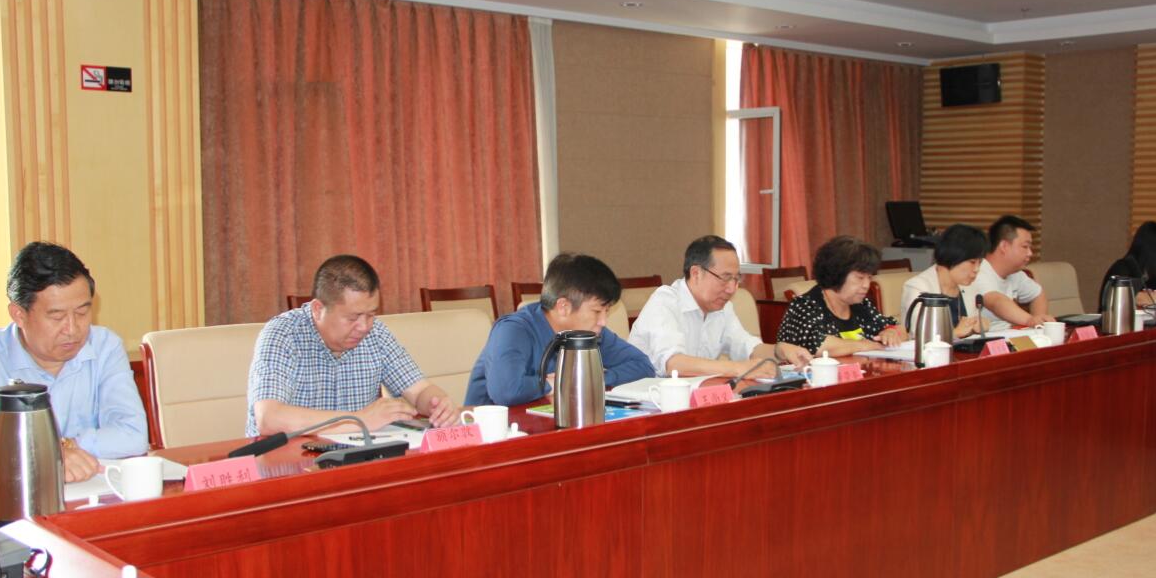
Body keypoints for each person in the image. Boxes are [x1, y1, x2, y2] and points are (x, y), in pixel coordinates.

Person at [0, 242, 148, 481]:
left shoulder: (105, 347)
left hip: (91, 493)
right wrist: (39, 457)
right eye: (57, 317)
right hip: (13, 496)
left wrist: (66, 447)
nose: (72, 329)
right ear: (19, 314)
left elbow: (133, 435)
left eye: (82, 313)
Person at [247, 255, 460, 437]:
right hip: (287, 462)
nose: (364, 327)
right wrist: (359, 420)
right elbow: (269, 418)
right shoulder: (283, 334)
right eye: (352, 318)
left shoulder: (377, 334)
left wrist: (438, 405)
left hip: (354, 458)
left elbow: (420, 390)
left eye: (371, 315)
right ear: (318, 309)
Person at [464, 253, 655, 406]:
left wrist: (589, 378)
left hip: (550, 425)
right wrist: (556, 383)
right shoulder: (513, 331)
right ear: (563, 307)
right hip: (495, 434)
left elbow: (642, 365)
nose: (603, 321)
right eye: (597, 311)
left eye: (607, 311)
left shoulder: (591, 333)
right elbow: (506, 391)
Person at [629, 235, 813, 378]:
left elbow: (748, 348)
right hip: (648, 402)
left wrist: (780, 350)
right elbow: (674, 364)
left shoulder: (722, 308)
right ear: (696, 273)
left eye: (736, 279)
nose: (731, 289)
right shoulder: (665, 301)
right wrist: (737, 369)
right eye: (725, 278)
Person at [776, 235, 908, 356]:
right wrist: (865, 345)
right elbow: (819, 346)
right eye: (860, 278)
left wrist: (891, 332)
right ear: (837, 273)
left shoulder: (860, 304)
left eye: (869, 277)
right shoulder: (805, 305)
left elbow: (901, 329)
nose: (866, 285)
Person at [965, 215, 1055, 331]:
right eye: (1025, 246)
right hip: (986, 338)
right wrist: (1030, 320)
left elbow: (1038, 294)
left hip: (1010, 335)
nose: (1030, 253)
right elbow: (996, 301)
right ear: (1004, 246)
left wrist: (1039, 326)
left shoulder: (1015, 273)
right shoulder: (978, 270)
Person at [899, 224, 989, 338]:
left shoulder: (968, 286)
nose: (977, 269)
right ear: (953, 255)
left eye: (980, 263)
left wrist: (979, 324)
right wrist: (954, 333)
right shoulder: (918, 287)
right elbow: (919, 334)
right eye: (972, 262)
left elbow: (970, 326)